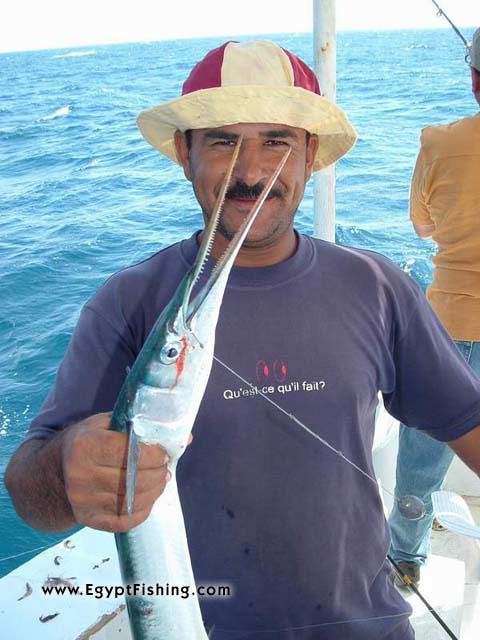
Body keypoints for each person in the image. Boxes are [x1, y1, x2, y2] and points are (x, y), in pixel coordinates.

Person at [5, 40, 480, 640]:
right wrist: (67, 465)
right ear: (185, 152)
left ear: (310, 154)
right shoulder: (127, 304)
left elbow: (469, 422)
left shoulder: (379, 286)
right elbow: (31, 498)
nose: (251, 172)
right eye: (224, 142)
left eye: (276, 142)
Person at [388, 27, 480, 589]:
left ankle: (405, 561)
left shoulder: (438, 143)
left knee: (420, 465)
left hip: (446, 330)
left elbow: (422, 226)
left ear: (474, 80)